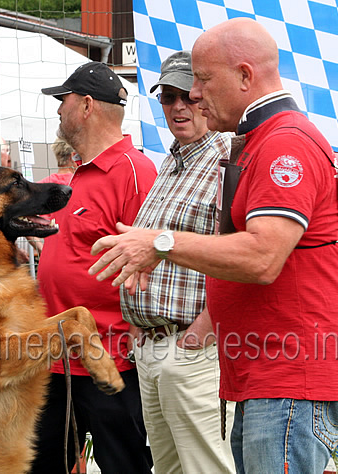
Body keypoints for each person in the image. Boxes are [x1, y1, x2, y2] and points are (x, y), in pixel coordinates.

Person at [88, 18, 338, 474]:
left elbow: (262, 257)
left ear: (244, 75)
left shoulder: (284, 144)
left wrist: (159, 243)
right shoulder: (259, 141)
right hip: (264, 370)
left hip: (290, 372)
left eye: (201, 79)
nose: (192, 94)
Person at [30, 61, 156, 474]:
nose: (58, 110)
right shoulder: (78, 176)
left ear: (86, 105)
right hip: (53, 359)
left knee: (123, 465)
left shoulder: (134, 172)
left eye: (62, 100)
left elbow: (151, 265)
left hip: (109, 359)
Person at [121, 50, 235, 473]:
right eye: (167, 98)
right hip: (155, 346)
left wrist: (204, 329)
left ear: (205, 98)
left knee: (207, 467)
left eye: (186, 95)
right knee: (168, 469)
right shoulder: (171, 161)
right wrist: (138, 325)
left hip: (194, 346)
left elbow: (242, 252)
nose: (177, 107)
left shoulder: (227, 158)